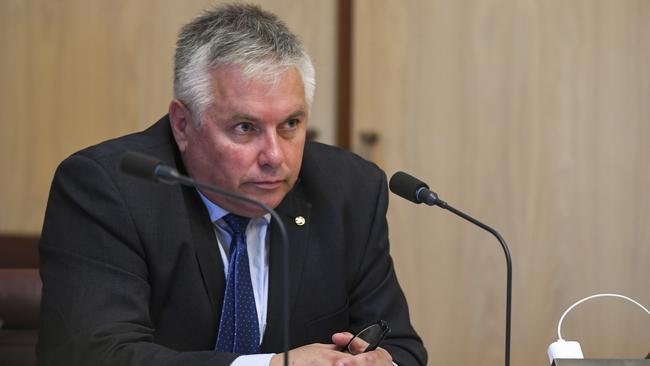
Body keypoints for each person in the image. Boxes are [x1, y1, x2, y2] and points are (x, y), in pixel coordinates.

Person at [37, 3, 427, 366]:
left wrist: (378, 362)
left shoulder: (349, 190)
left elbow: (403, 348)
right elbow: (95, 354)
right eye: (245, 128)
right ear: (183, 125)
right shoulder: (108, 189)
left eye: (290, 124)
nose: (275, 155)